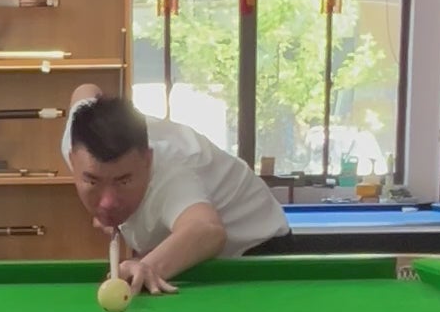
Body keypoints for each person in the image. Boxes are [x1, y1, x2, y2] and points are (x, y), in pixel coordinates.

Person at [62, 86, 289, 295]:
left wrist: (145, 266)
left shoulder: (172, 173)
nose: (107, 202)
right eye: (93, 181)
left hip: (258, 250)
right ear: (73, 159)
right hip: (191, 247)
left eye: (123, 181)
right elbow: (85, 90)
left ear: (148, 160)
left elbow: (207, 230)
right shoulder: (81, 139)